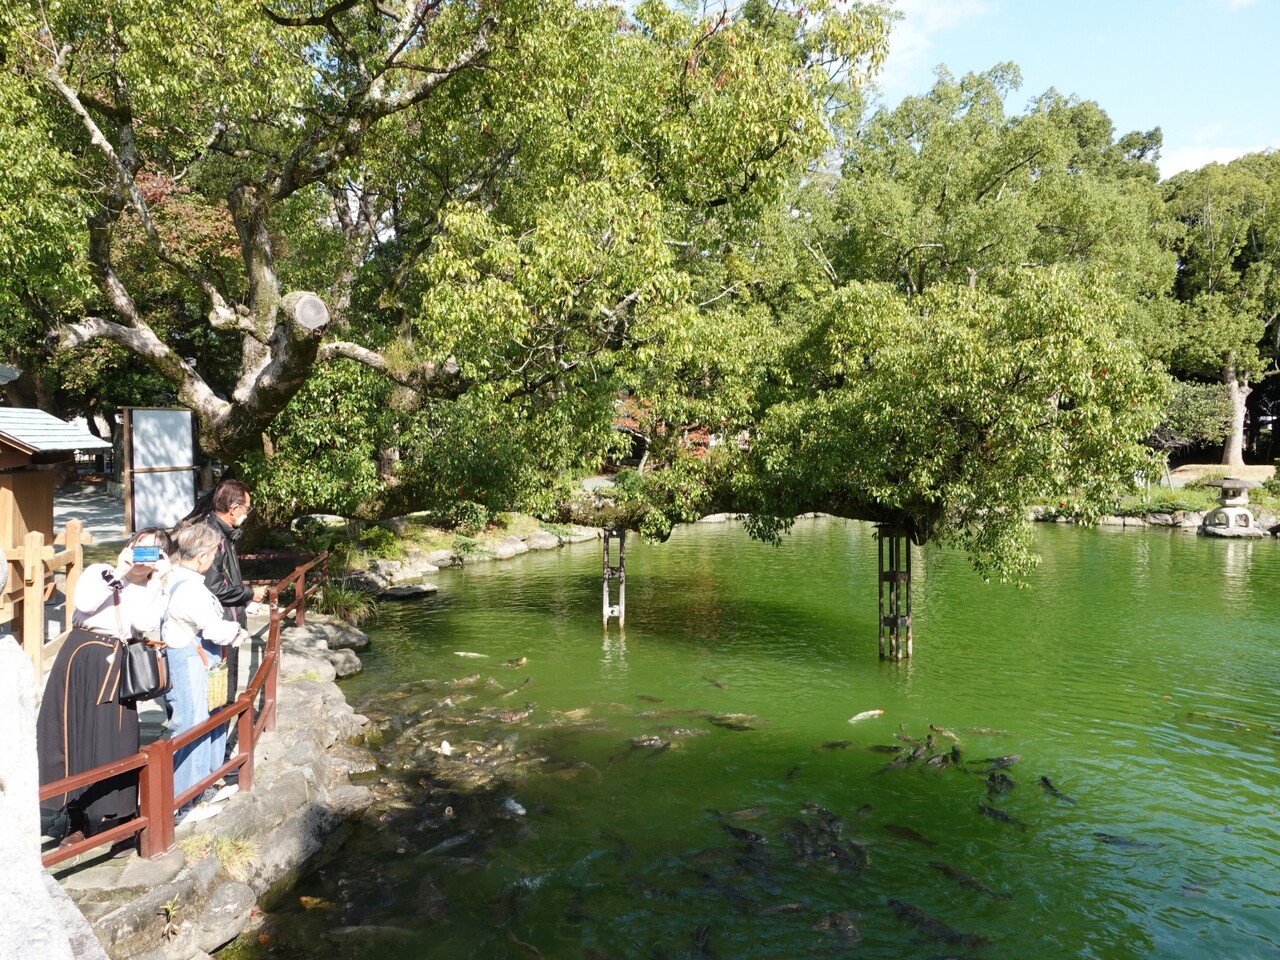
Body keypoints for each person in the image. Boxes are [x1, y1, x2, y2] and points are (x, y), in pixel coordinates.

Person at [37, 528, 173, 847]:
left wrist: (157, 582)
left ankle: (122, 817)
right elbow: (84, 604)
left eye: (151, 552)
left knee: (117, 739)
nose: (141, 557)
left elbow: (144, 626)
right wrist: (120, 572)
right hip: (78, 658)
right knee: (71, 737)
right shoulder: (100, 572)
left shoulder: (152, 588)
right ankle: (77, 818)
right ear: (128, 546)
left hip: (116, 665)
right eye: (138, 547)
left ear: (161, 558)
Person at [163, 522, 247, 825]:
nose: (213, 560)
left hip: (194, 660)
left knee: (206, 720)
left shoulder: (174, 577)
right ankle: (183, 804)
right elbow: (213, 628)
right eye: (212, 554)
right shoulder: (190, 590)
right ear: (201, 556)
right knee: (192, 726)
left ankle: (203, 788)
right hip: (189, 663)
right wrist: (236, 631)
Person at [200, 479, 266, 715]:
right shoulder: (212, 537)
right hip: (220, 626)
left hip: (229, 622)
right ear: (234, 508)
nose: (247, 513)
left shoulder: (224, 534)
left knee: (226, 688)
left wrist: (244, 599)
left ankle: (219, 733)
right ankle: (218, 737)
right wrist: (250, 593)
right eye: (246, 508)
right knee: (220, 693)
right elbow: (214, 587)